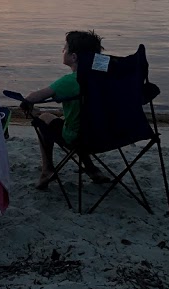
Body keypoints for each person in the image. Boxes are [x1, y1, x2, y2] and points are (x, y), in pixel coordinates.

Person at [19, 29, 111, 189]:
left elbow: (34, 97)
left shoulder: (71, 81)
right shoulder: (108, 76)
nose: (63, 50)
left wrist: (26, 104)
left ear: (74, 57)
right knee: (77, 123)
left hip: (80, 137)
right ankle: (91, 169)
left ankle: (47, 170)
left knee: (45, 118)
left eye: (65, 48)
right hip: (112, 134)